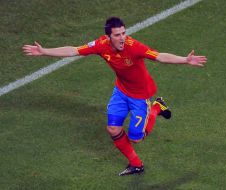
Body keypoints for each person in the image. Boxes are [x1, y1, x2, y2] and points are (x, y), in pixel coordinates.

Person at [22, 17, 207, 176]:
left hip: (140, 96)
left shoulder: (134, 47)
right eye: (117, 35)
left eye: (124, 33)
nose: (122, 38)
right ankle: (136, 164)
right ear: (108, 36)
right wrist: (45, 51)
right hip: (121, 91)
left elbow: (159, 56)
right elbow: (74, 50)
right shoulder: (101, 45)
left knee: (137, 138)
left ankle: (157, 107)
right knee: (113, 128)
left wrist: (185, 60)